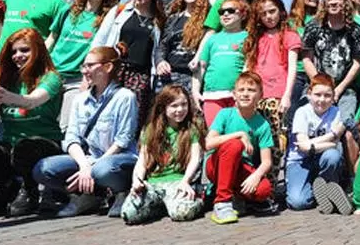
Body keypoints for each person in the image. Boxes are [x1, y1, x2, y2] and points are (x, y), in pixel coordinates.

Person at [0, 28, 64, 216]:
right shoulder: (5, 78)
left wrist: (8, 97)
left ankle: (29, 190)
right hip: (10, 145)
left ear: (38, 50)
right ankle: (9, 184)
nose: (18, 56)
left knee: (25, 148)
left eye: (25, 50)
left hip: (45, 144)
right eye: (14, 52)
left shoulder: (51, 77)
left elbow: (32, 101)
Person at [32, 46, 138, 219]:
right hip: (89, 159)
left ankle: (122, 192)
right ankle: (89, 196)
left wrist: (93, 168)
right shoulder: (80, 100)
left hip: (116, 160)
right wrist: (84, 166)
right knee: (43, 169)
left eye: (90, 66)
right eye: (84, 66)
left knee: (103, 170)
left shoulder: (125, 97)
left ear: (108, 67)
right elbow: (71, 138)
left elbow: (123, 140)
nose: (84, 71)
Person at [121, 84, 206, 225]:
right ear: (163, 108)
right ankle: (161, 206)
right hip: (153, 184)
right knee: (129, 214)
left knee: (182, 213)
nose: (180, 110)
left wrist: (186, 181)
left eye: (184, 104)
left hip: (178, 182)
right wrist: (137, 181)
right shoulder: (150, 129)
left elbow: (195, 158)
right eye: (174, 106)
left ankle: (198, 197)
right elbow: (142, 160)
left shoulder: (192, 128)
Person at [94, 0, 166, 132]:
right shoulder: (119, 11)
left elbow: (157, 50)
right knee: (106, 116)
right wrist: (93, 68)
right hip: (115, 71)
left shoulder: (159, 19)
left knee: (131, 121)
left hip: (141, 77)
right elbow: (100, 41)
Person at [49, 0, 118, 133]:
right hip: (53, 72)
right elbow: (52, 38)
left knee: (67, 126)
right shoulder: (68, 11)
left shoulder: (106, 20)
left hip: (78, 78)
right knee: (43, 119)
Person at [204, 72, 276, 224]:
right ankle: (222, 202)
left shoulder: (262, 124)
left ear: (260, 95)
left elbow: (266, 161)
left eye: (251, 90)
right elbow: (208, 143)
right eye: (241, 90)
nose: (245, 94)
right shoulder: (225, 114)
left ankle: (237, 197)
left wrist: (256, 176)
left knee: (264, 189)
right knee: (235, 145)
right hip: (216, 165)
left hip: (242, 167)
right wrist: (240, 135)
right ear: (234, 94)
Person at [244, 0, 300, 180]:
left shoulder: (290, 36)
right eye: (263, 13)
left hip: (276, 95)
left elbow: (292, 68)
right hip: (255, 96)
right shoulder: (255, 37)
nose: (268, 16)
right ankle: (252, 182)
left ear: (281, 11)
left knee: (274, 142)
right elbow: (248, 65)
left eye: (272, 11)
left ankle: (271, 185)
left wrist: (287, 95)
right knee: (253, 141)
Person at [285, 74, 351, 213]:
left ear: (333, 97)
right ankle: (318, 192)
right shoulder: (301, 112)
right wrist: (332, 135)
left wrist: (311, 144)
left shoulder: (336, 112)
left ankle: (327, 188)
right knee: (298, 202)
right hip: (300, 160)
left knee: (332, 156)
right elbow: (303, 146)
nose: (322, 100)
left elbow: (333, 145)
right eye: (318, 95)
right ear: (309, 94)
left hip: (321, 158)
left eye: (327, 96)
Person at [301, 0, 360, 126]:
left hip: (345, 89)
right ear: (325, 3)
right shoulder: (313, 26)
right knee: (308, 122)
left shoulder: (355, 29)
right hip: (316, 86)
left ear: (344, 2)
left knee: (346, 125)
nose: (333, 2)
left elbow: (357, 64)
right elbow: (307, 59)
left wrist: (338, 89)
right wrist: (321, 86)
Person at [194, 0, 249, 126]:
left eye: (230, 10)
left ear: (242, 14)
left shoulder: (248, 37)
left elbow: (249, 66)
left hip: (237, 96)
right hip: (212, 95)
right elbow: (201, 67)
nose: (225, 14)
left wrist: (243, 92)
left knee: (236, 132)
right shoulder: (212, 39)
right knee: (214, 133)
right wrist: (195, 91)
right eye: (221, 12)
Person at [157, 0, 210, 90]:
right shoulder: (173, 18)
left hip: (192, 76)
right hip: (168, 75)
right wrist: (160, 62)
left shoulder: (207, 20)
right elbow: (162, 46)